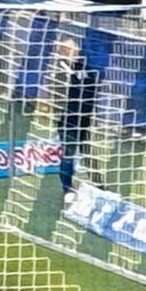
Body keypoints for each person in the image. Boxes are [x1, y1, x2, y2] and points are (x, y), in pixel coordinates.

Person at [56, 35, 100, 193]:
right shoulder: (62, 67)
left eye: (73, 48)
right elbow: (61, 91)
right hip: (68, 119)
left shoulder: (85, 66)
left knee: (87, 151)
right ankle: (67, 187)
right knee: (69, 152)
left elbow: (92, 82)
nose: (73, 52)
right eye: (68, 49)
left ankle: (98, 184)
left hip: (84, 118)